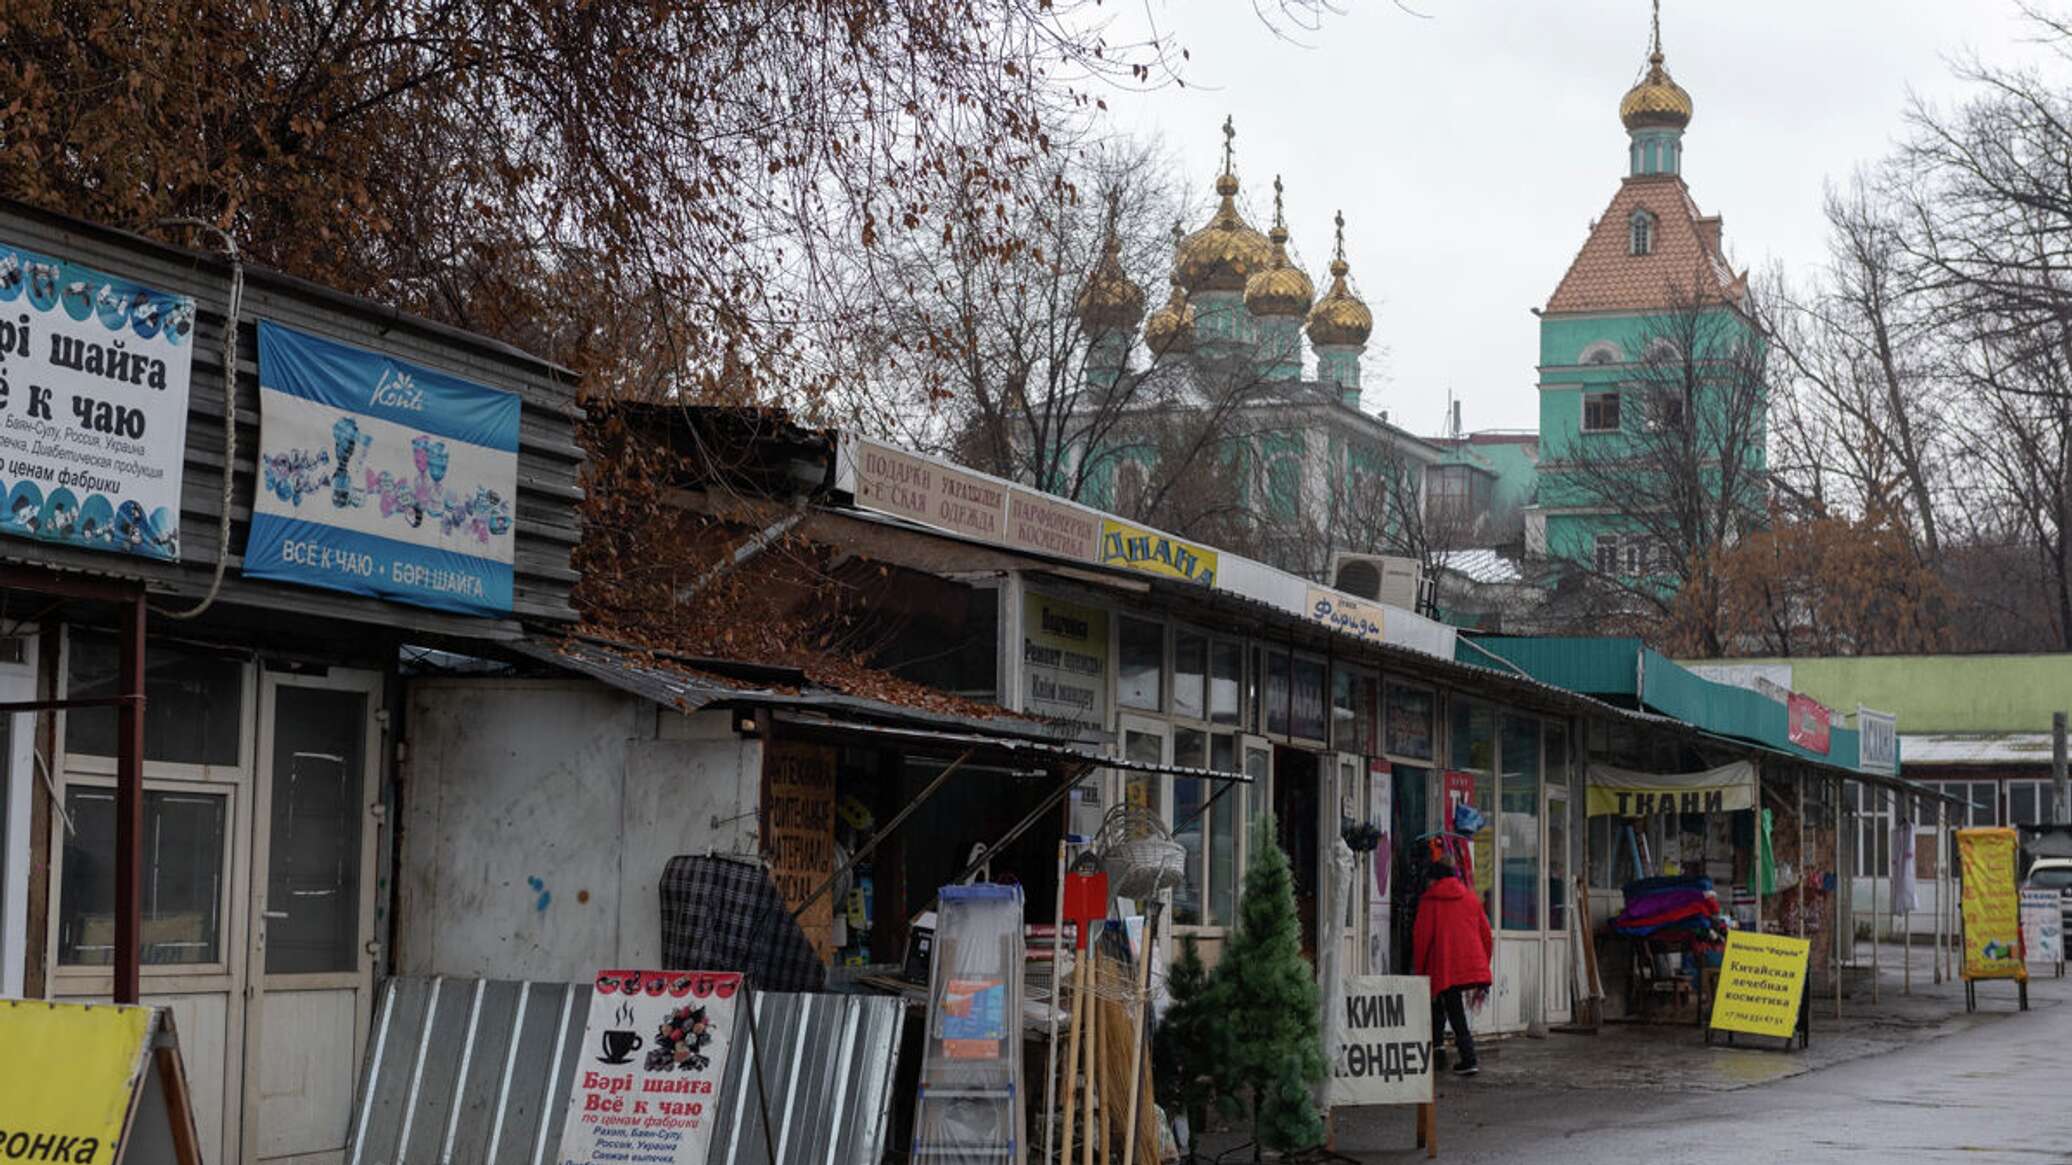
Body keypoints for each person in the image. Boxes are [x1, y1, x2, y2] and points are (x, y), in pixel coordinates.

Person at [1412, 838, 1493, 1075]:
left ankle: (1466, 1058)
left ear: (1434, 879)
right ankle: (1451, 1054)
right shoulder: (1470, 898)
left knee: (1448, 1005)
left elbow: (1421, 938)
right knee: (1450, 1004)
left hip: (1443, 965)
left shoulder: (1429, 901)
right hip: (1469, 964)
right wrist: (1483, 965)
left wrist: (1420, 971)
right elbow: (1486, 935)